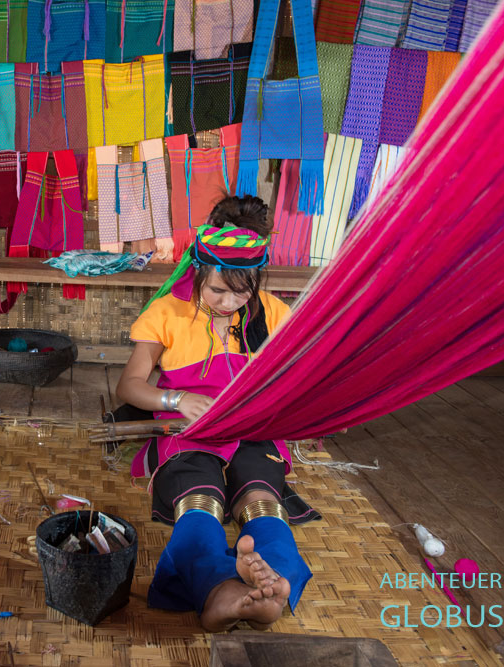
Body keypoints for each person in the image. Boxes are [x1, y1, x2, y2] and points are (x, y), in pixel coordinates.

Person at [116, 195, 314, 632]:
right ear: (197, 272)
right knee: (200, 502)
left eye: (241, 291)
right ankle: (221, 591)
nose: (228, 302)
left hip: (253, 432)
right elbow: (129, 385)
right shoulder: (167, 312)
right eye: (217, 290)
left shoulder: (275, 315)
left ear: (256, 280)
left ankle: (272, 584)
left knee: (263, 503)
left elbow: (296, 382)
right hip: (187, 433)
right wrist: (177, 400)